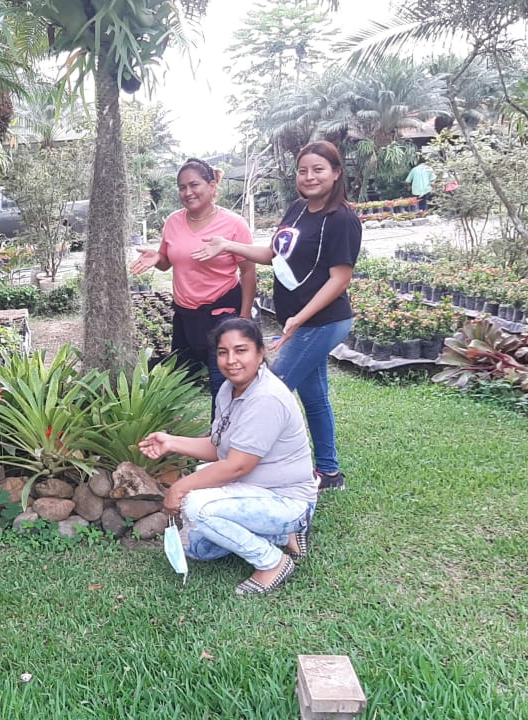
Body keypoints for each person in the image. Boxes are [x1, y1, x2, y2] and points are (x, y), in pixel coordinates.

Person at [195, 141, 361, 491]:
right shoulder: (298, 209)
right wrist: (227, 245)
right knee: (315, 397)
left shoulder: (341, 219)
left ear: (336, 173)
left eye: (318, 169)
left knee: (266, 390)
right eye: (303, 170)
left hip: (323, 321)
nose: (309, 176)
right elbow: (273, 254)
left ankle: (236, 464)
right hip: (301, 320)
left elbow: (340, 279)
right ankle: (329, 473)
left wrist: (299, 318)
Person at [139, 317, 316, 595]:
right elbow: (219, 447)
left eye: (241, 350)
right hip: (253, 490)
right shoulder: (229, 389)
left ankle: (272, 561)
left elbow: (236, 466)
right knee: (194, 547)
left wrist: (178, 488)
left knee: (197, 506)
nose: (231, 360)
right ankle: (282, 534)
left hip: (285, 498)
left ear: (260, 353)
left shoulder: (266, 398)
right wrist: (171, 442)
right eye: (223, 352)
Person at [129, 158, 257, 396]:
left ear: (211, 185)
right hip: (185, 317)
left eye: (194, 185)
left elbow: (248, 272)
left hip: (222, 315)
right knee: (180, 385)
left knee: (222, 385)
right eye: (182, 187)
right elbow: (167, 263)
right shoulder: (173, 221)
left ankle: (224, 422)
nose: (188, 192)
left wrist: (245, 315)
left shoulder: (233, 224)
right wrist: (157, 257)